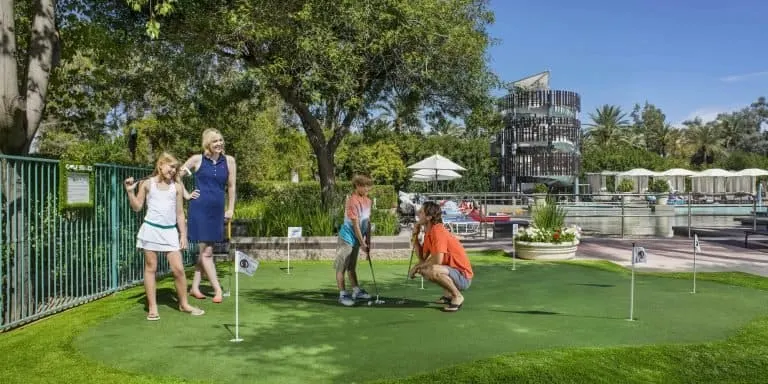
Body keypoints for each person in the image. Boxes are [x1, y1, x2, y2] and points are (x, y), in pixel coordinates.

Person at [124, 152, 205, 320]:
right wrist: (130, 192)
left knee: (178, 269)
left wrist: (183, 234)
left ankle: (184, 304)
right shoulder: (147, 184)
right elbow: (137, 207)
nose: (173, 170)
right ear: (160, 165)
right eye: (171, 166)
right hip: (151, 230)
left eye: (175, 167)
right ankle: (153, 307)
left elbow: (180, 214)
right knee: (151, 268)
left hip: (169, 232)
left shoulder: (177, 187)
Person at [181, 128, 237, 303]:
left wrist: (231, 208)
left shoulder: (229, 161)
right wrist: (185, 194)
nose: (219, 144)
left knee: (204, 251)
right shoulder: (197, 160)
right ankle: (217, 289)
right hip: (199, 210)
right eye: (215, 141)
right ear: (207, 143)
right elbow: (176, 176)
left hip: (217, 211)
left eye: (220, 140)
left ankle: (195, 287)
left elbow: (232, 187)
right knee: (207, 252)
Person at [408, 201, 473, 312]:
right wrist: (415, 235)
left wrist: (416, 267)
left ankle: (457, 296)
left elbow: (438, 259)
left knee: (432, 270)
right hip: (453, 272)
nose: (418, 213)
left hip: (463, 277)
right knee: (424, 269)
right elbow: (422, 258)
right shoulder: (429, 232)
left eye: (421, 212)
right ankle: (448, 295)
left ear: (429, 217)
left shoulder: (438, 231)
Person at [334, 175, 374, 306]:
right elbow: (356, 224)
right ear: (357, 186)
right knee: (342, 267)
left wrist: (368, 242)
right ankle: (343, 295)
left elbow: (367, 222)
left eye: (369, 186)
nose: (368, 188)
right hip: (346, 237)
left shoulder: (368, 201)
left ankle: (356, 291)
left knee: (352, 267)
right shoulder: (352, 201)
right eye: (365, 186)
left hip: (357, 239)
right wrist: (362, 243)